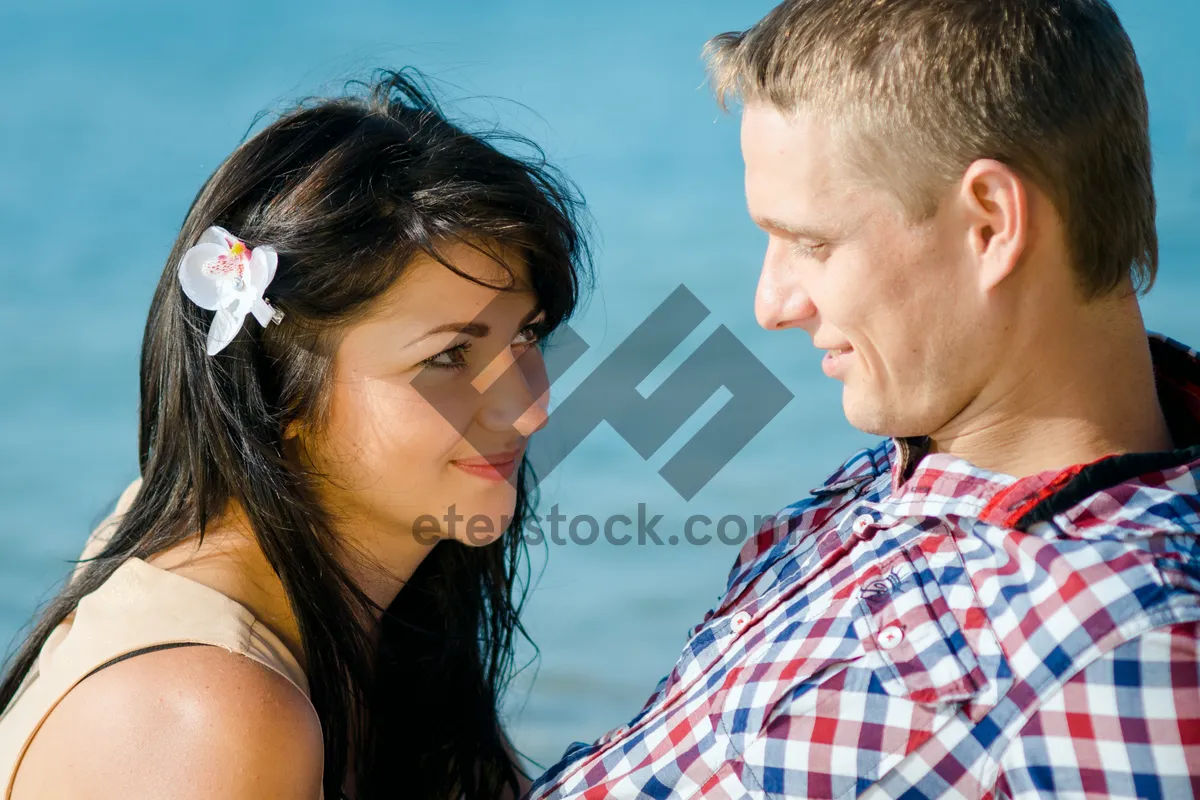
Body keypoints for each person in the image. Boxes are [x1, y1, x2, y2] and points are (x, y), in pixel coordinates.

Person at [526, 1, 1200, 797]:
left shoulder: (1133, 652)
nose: (771, 303)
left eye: (812, 243)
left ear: (990, 223)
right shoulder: (924, 447)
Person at [0, 69, 591, 800]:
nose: (528, 409)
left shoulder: (368, 600)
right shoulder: (208, 717)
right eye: (448, 356)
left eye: (527, 334)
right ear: (280, 392)